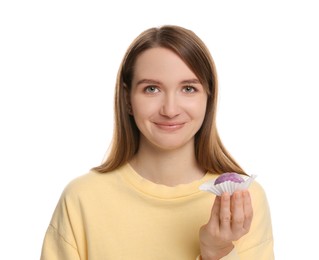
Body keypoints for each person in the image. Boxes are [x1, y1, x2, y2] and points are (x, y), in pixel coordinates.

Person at [40, 25, 274, 260]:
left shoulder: (243, 200)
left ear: (208, 97)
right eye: (151, 89)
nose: (170, 110)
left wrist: (217, 251)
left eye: (189, 88)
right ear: (127, 98)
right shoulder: (82, 199)